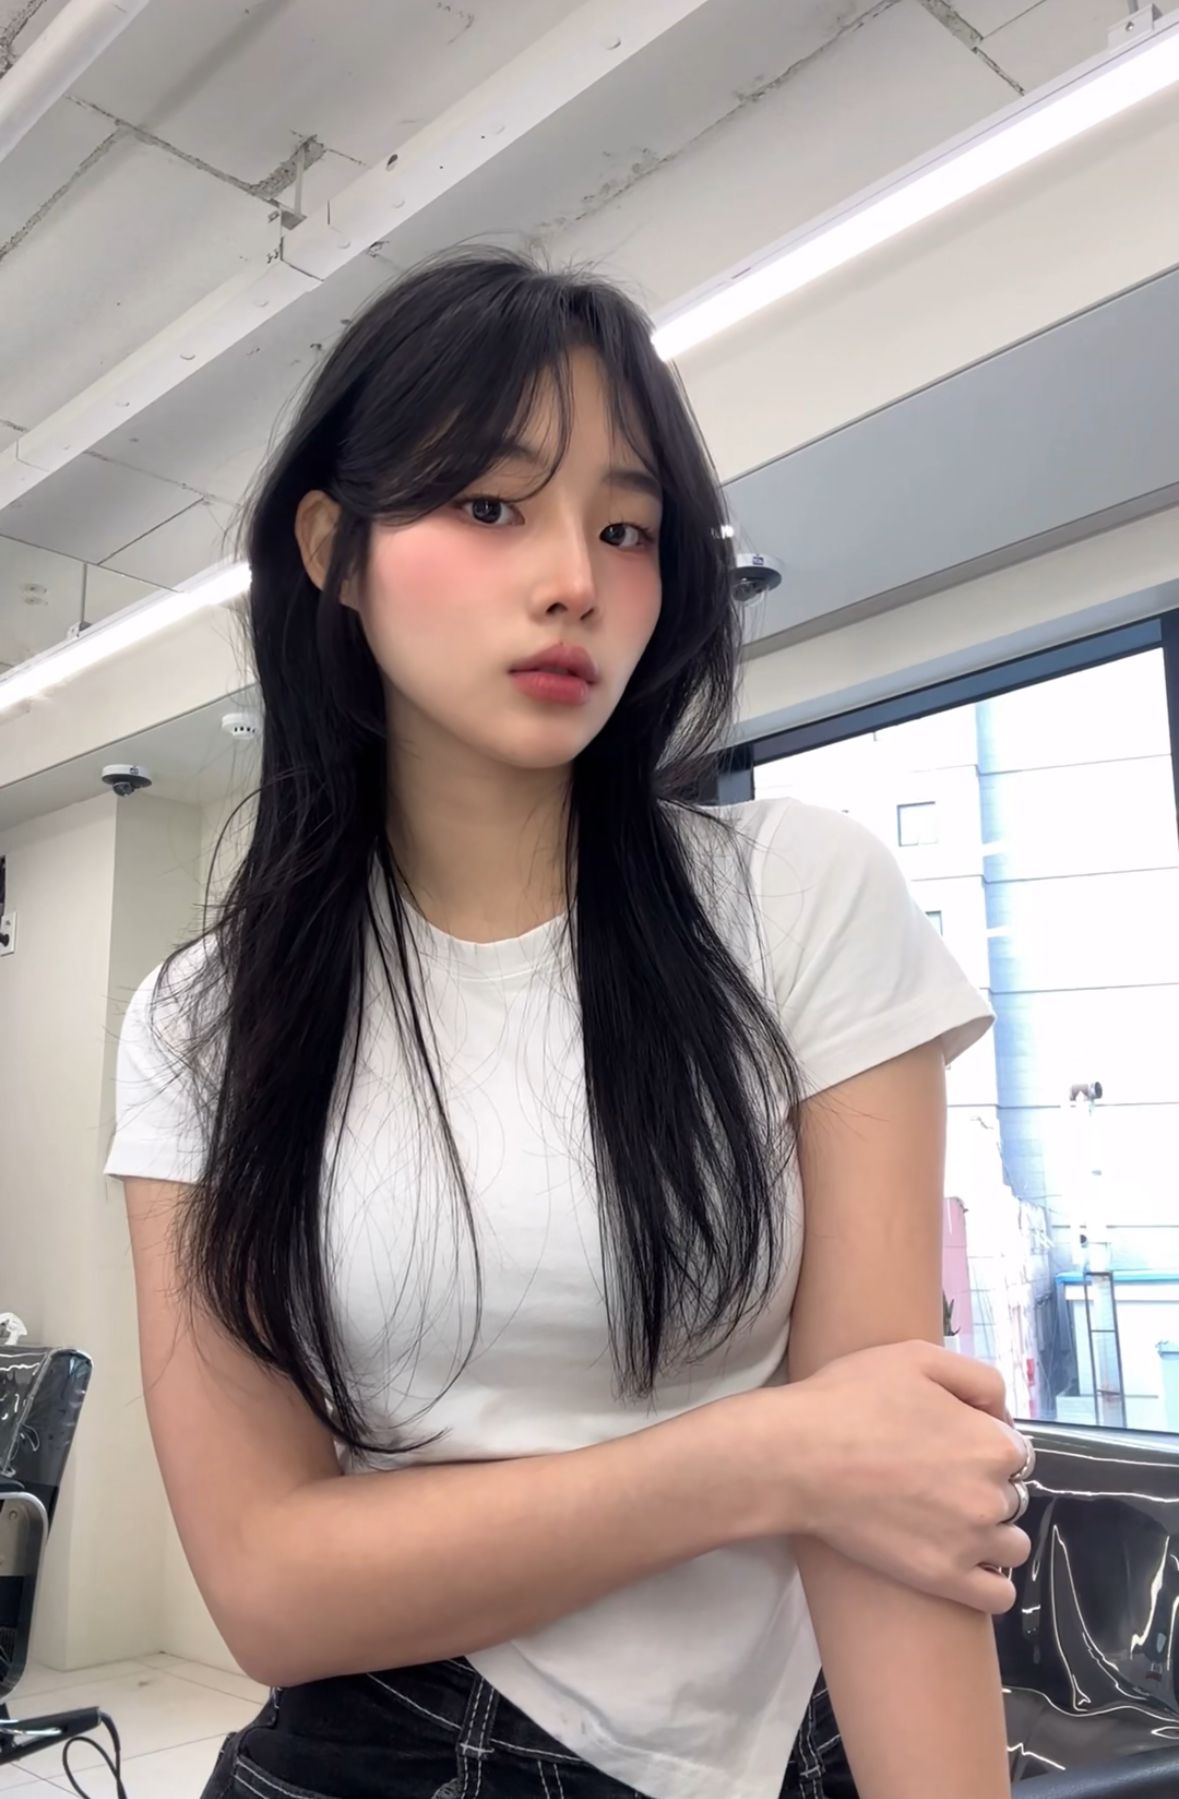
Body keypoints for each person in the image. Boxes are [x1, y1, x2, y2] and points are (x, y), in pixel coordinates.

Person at [106, 247, 1033, 1799]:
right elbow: (268, 1587)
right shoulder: (207, 1019)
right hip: (379, 1755)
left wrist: (831, 1462)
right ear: (335, 551)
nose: (574, 582)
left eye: (624, 528)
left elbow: (893, 1494)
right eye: (491, 507)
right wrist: (766, 1455)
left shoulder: (796, 897)